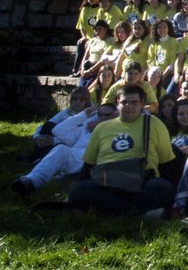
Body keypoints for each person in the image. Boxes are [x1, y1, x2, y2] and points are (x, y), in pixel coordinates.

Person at [67, 84, 176, 215]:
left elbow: (167, 164)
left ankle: (105, 209)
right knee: (77, 192)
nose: (129, 106)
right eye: (124, 102)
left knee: (163, 189)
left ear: (142, 103)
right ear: (117, 103)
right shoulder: (102, 128)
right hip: (106, 181)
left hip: (141, 181)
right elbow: (88, 165)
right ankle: (139, 212)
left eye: (134, 102)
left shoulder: (154, 123)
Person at [13, 103, 118, 196]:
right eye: (100, 114)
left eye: (107, 115)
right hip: (77, 159)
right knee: (61, 149)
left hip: (94, 164)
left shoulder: (118, 132)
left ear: (115, 115)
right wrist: (84, 115)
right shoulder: (86, 130)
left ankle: (65, 177)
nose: (103, 117)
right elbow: (57, 130)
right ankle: (31, 181)